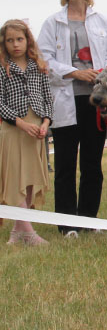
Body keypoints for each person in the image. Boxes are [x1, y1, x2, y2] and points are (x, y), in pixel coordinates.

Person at [38, 0, 107, 236]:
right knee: (65, 166)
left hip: (95, 103)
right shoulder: (52, 22)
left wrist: (103, 70)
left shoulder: (101, 21)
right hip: (65, 101)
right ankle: (67, 224)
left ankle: (88, 220)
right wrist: (74, 72)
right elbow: (44, 60)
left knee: (92, 165)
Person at [0, 20, 53, 246]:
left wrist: (45, 123)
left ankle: (18, 231)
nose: (15, 44)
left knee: (30, 178)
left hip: (36, 128)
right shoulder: (3, 68)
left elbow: (47, 97)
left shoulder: (38, 66)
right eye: (9, 40)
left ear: (27, 40)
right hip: (13, 129)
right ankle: (28, 232)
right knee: (16, 178)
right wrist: (21, 124)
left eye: (19, 39)